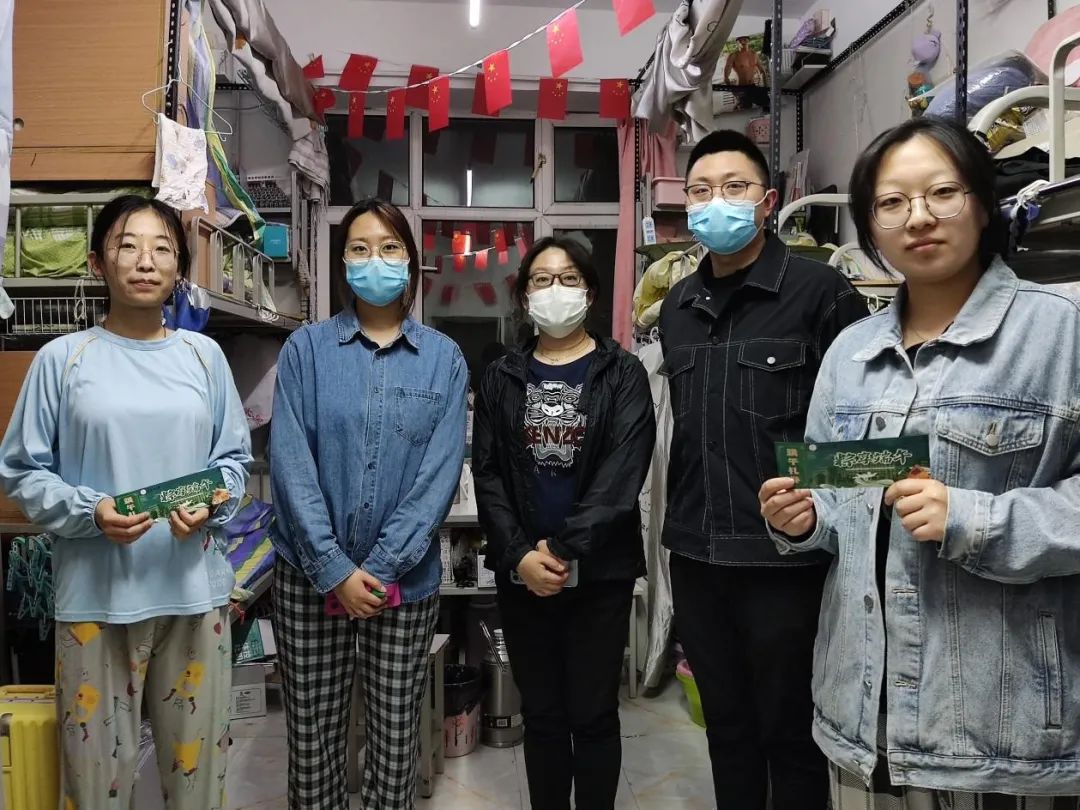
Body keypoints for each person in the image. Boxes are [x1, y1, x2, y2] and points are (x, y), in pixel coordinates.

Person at [760, 116, 1080, 807]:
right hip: (863, 705)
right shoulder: (851, 352)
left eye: (942, 192)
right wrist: (802, 521)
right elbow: (836, 510)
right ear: (872, 228)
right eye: (892, 202)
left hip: (1003, 721)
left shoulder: (1062, 329)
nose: (919, 217)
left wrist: (973, 517)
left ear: (982, 204)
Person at [0, 195, 251, 810]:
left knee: (197, 786)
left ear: (179, 268)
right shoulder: (64, 359)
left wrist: (212, 504)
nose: (145, 261)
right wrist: (91, 512)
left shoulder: (204, 357)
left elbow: (233, 463)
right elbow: (21, 470)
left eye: (162, 248)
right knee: (95, 789)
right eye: (127, 245)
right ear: (97, 263)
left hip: (193, 598)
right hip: (96, 601)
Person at [658, 130, 869, 810]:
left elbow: (869, 437)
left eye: (735, 187)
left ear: (768, 201)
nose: (715, 201)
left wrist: (809, 491)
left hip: (787, 562)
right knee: (725, 731)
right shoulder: (677, 306)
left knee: (792, 735)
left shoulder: (821, 293)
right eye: (700, 190)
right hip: (696, 555)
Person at [269, 197, 467, 810]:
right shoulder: (305, 351)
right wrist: (333, 568)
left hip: (401, 582)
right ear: (342, 262)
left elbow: (438, 478)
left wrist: (377, 570)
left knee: (395, 740)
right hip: (308, 577)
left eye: (389, 247)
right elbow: (290, 463)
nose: (374, 259)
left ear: (410, 261)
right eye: (359, 248)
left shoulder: (444, 359)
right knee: (313, 742)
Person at [473, 237, 655, 810]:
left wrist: (565, 548)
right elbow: (488, 473)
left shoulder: (623, 374)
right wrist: (519, 555)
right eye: (542, 280)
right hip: (523, 576)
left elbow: (623, 473)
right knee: (544, 714)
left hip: (599, 574)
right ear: (525, 296)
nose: (556, 290)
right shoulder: (501, 376)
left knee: (594, 713)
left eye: (569, 278)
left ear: (591, 293)